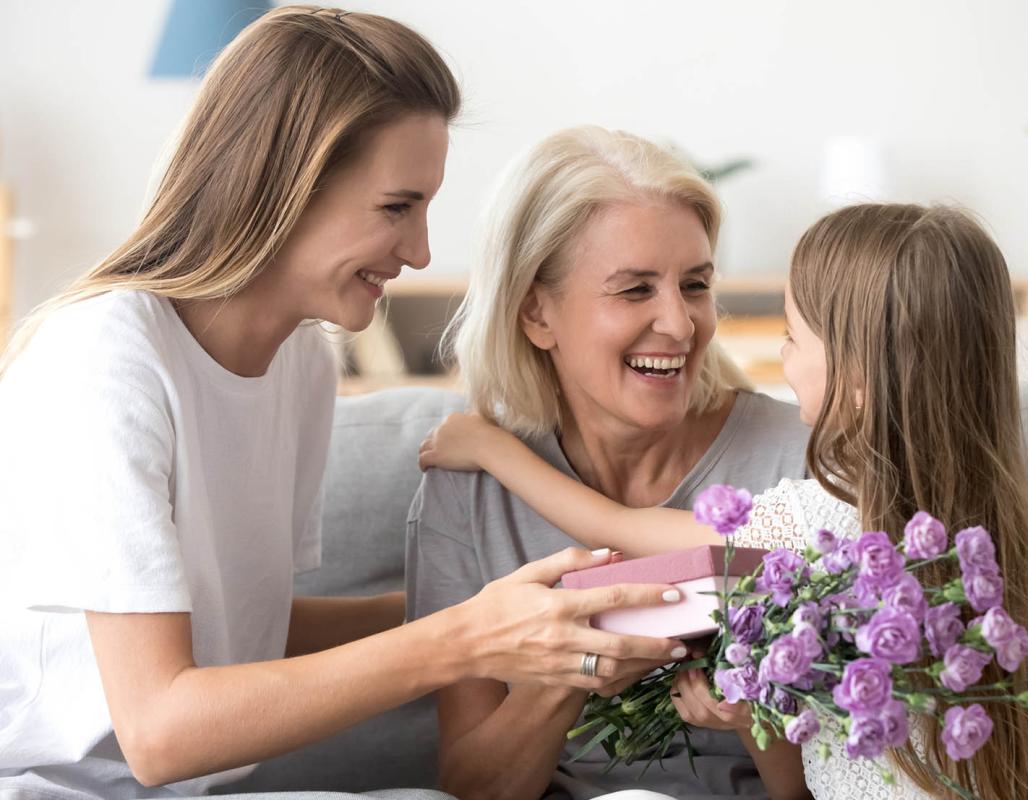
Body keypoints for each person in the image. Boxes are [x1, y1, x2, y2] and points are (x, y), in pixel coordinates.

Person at [0, 9, 689, 800]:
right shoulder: (105, 359)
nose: (422, 250)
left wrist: (509, 606)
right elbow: (158, 732)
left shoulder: (300, 361)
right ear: (281, 183)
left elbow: (245, 629)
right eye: (397, 207)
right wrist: (463, 637)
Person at [419, 204, 1028, 799]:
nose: (780, 359)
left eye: (791, 336)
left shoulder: (823, 522)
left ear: (859, 378)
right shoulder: (977, 529)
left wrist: (492, 450)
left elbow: (623, 526)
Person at [404, 125, 812, 800]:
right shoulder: (468, 491)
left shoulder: (796, 462)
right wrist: (569, 671)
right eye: (634, 290)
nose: (680, 325)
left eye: (695, 284)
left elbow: (856, 777)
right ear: (537, 312)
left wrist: (757, 713)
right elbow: (471, 788)